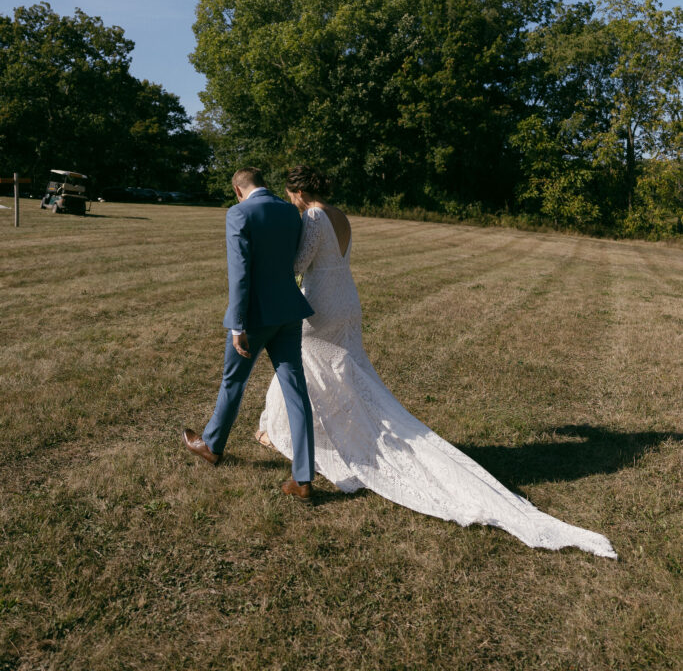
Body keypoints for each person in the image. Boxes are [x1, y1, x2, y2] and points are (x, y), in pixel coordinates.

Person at [256, 165, 617, 557]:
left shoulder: (311, 215)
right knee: (337, 372)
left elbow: (298, 264)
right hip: (346, 300)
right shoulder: (340, 215)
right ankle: (309, 430)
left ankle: (282, 431)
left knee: (298, 364)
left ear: (297, 192)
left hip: (321, 303)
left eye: (290, 195)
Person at [183, 166, 316, 502]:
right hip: (289, 312)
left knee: (233, 381)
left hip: (255, 317)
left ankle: (211, 446)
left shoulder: (239, 213)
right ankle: (303, 478)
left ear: (237, 189)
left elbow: (240, 273)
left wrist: (237, 325)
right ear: (263, 183)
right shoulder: (290, 211)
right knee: (296, 392)